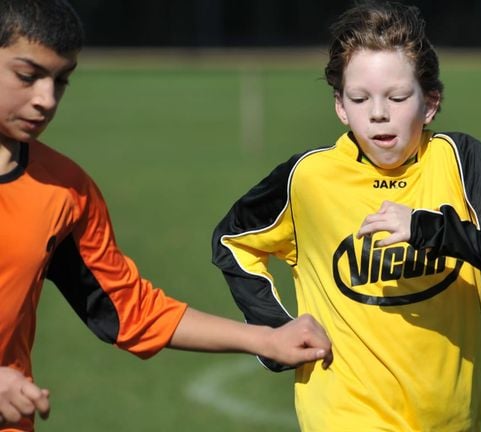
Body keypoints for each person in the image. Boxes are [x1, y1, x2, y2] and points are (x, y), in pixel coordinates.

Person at [212, 1, 481, 430]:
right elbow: (232, 241)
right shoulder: (308, 178)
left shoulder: (461, 162)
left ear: (430, 103)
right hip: (344, 416)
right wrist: (272, 329)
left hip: (449, 420)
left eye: (396, 97)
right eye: (359, 98)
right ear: (340, 106)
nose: (377, 113)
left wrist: (434, 230)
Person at [0, 0, 334, 430]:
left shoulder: (65, 190)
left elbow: (129, 309)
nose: (46, 99)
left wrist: (266, 339)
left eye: (61, 81)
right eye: (27, 77)